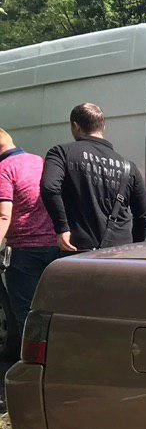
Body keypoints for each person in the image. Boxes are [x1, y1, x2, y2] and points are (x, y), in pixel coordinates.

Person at [41, 103, 146, 253]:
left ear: (76, 126)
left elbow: (49, 187)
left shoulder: (61, 153)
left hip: (79, 250)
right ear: (103, 127)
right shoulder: (129, 166)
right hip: (122, 254)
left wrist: (62, 228)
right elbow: (144, 217)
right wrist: (133, 248)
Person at [0, 129, 60, 337]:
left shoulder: (4, 169)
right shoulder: (39, 161)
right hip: (53, 247)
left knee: (27, 312)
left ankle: (32, 364)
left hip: (24, 251)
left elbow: (3, 216)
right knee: (51, 310)